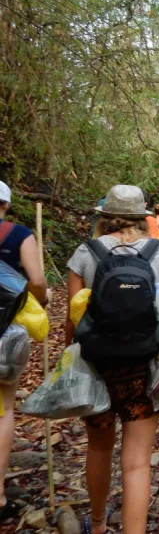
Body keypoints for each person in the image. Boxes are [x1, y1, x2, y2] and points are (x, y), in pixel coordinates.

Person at [64, 185, 159, 534]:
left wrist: (71, 358)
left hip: (97, 363)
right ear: (142, 216)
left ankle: (98, 524)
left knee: (99, 449)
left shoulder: (85, 252)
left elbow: (74, 317)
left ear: (104, 216)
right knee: (136, 463)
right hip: (144, 365)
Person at [0, 181, 48, 519]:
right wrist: (40, 302)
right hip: (4, 331)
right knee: (3, 408)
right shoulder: (18, 234)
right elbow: (38, 280)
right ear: (6, 205)